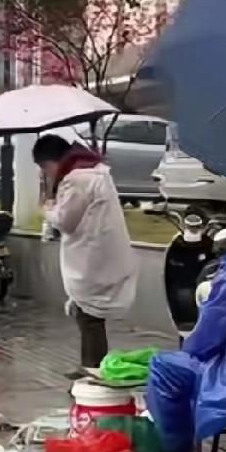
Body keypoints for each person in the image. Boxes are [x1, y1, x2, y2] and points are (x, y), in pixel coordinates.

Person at [33, 132, 136, 371]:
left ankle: (92, 371)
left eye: (44, 169)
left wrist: (44, 207)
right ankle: (89, 367)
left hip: (92, 259)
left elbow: (65, 220)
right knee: (88, 315)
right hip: (101, 254)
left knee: (89, 317)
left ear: (50, 162)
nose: (46, 174)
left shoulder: (78, 179)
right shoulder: (93, 171)